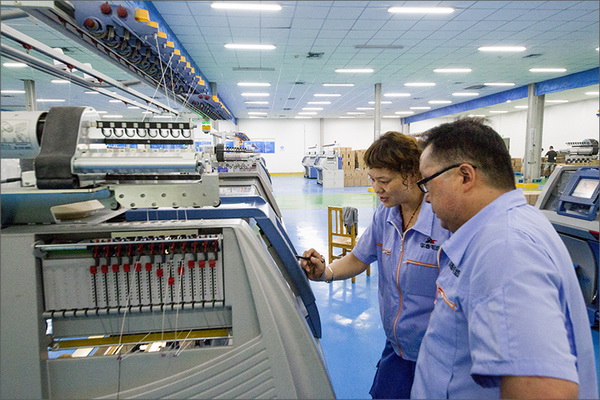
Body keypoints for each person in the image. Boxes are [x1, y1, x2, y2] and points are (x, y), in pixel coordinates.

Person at [412, 118, 598, 399]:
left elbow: (544, 390)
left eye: (428, 183)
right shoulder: (511, 224)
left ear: (465, 176)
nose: (426, 198)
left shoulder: (504, 248)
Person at [300, 131, 451, 399]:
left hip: (439, 358)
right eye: (372, 179)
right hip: (398, 348)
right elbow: (359, 258)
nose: (376, 188)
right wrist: (325, 272)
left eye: (384, 181)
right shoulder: (386, 212)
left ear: (412, 175)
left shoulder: (444, 221)